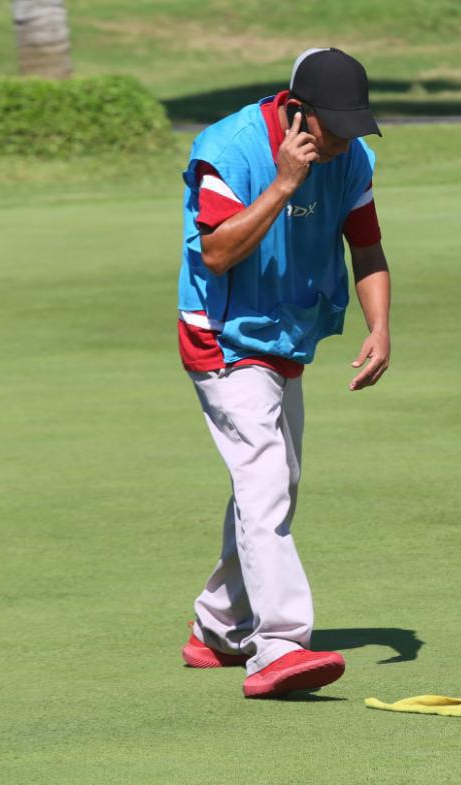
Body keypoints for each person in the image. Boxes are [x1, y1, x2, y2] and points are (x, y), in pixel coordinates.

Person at [174, 48, 390, 697]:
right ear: (296, 110)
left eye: (353, 126)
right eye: (333, 126)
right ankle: (279, 644)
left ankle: (217, 626)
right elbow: (216, 253)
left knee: (275, 483)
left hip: (287, 331)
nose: (343, 140)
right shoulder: (229, 149)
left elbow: (366, 245)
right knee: (265, 479)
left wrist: (380, 326)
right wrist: (284, 182)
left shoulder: (350, 157)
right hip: (221, 335)